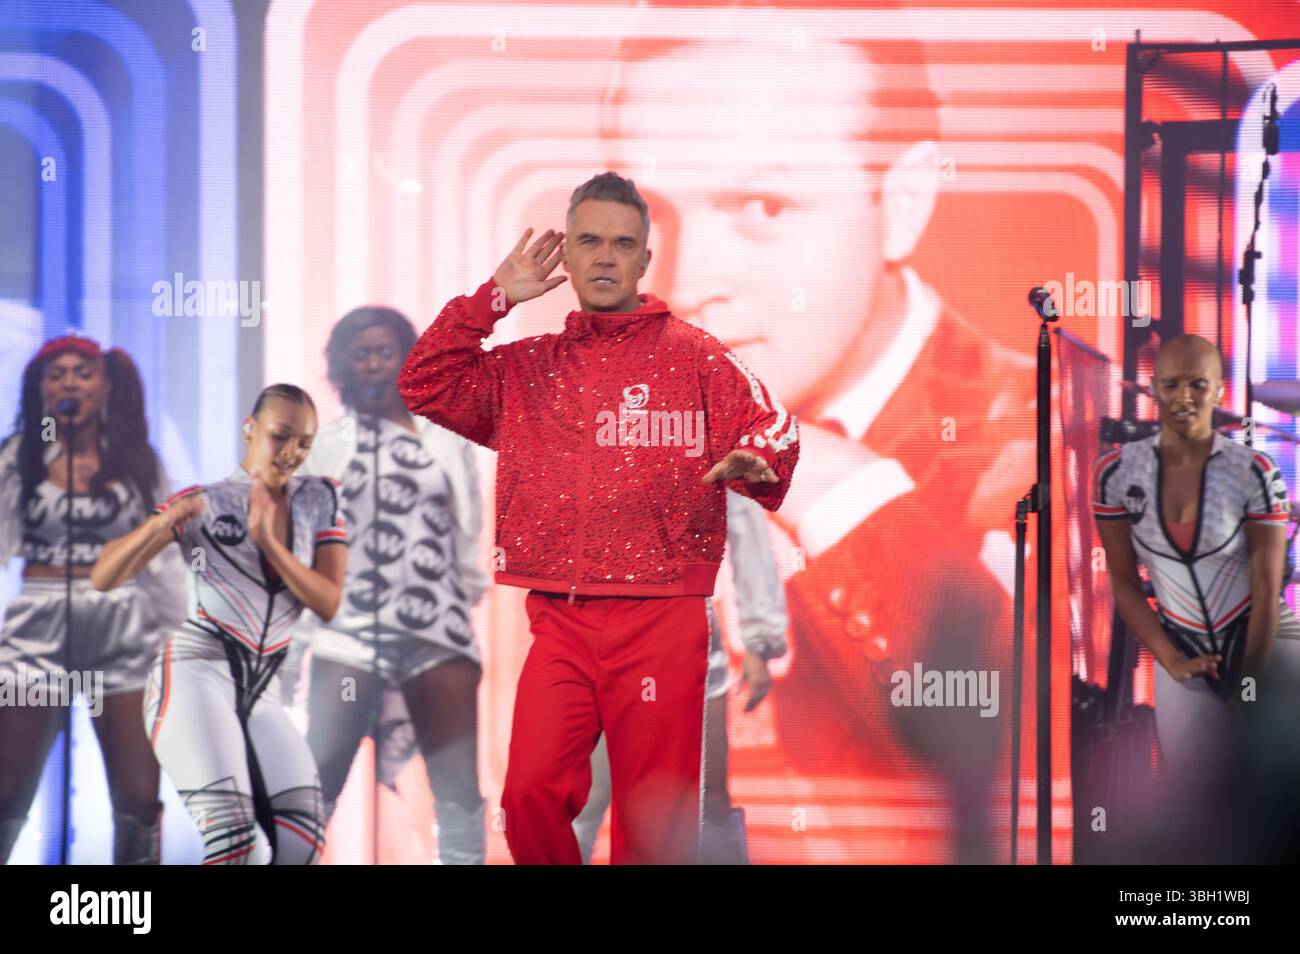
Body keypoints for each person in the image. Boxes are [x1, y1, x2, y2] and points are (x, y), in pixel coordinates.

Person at [598, 22, 1023, 862]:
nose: (683, 283)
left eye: (764, 207)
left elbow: (1041, 769)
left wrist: (825, 482)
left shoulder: (1058, 450)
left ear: (901, 204)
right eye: (645, 218)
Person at [398, 171, 800, 864]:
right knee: (527, 795)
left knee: (653, 829)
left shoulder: (698, 357)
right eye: (589, 241)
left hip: (663, 620)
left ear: (647, 259)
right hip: (562, 619)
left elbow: (772, 424)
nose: (606, 256)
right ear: (567, 256)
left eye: (623, 243)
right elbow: (425, 381)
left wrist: (758, 457)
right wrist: (492, 300)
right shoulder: (524, 371)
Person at [92, 384, 346, 864]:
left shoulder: (321, 498)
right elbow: (104, 576)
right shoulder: (205, 501)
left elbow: (328, 600)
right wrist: (156, 527)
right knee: (236, 846)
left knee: (303, 848)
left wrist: (269, 543)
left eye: (305, 443)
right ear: (250, 430)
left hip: (264, 692)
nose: (292, 453)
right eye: (281, 436)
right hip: (195, 674)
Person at [295, 306, 490, 864]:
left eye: (387, 352)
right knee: (315, 781)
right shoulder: (324, 446)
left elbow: (465, 531)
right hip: (348, 633)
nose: (375, 364)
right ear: (342, 367)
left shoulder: (445, 440)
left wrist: (453, 600)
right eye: (363, 354)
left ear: (409, 362)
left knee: (457, 790)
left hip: (438, 632)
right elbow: (302, 543)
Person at [1093, 334, 1300, 830]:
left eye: (1198, 384)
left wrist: (1247, 688)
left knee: (1276, 800)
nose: (1183, 397)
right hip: (1181, 648)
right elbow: (1123, 583)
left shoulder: (1255, 471)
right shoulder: (1116, 474)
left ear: (1221, 392)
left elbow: (1268, 596)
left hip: (1266, 644)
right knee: (1199, 810)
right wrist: (1172, 659)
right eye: (1171, 385)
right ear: (1153, 389)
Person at [0, 335, 187, 865]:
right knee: (8, 785)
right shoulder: (20, 455)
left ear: (105, 385)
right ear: (40, 388)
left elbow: (165, 553)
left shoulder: (134, 458)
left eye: (81, 372)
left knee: (136, 795)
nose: (68, 382)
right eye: (55, 373)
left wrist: (178, 640)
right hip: (38, 621)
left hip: (120, 621)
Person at [572, 489, 789, 864]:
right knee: (589, 796)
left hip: (694, 654)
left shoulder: (711, 442)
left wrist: (759, 642)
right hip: (614, 651)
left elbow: (747, 535)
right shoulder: (597, 439)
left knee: (710, 802)